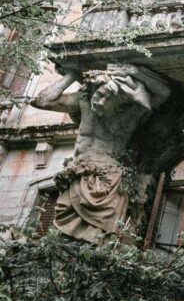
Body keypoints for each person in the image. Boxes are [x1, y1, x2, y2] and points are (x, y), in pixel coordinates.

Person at [31, 64, 170, 241]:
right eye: (98, 94)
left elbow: (164, 92)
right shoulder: (84, 101)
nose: (100, 101)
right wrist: (72, 75)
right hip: (77, 176)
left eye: (107, 97)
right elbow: (42, 101)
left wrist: (135, 72)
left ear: (121, 99)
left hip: (107, 182)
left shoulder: (129, 115)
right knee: (63, 240)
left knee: (99, 241)